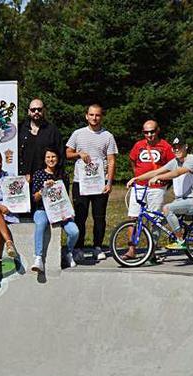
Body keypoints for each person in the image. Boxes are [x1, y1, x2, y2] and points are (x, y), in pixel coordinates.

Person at [126, 137, 193, 250]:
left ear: (186, 147)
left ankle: (180, 240)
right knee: (157, 222)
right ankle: (151, 253)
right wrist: (137, 178)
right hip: (181, 201)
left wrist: (158, 177)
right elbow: (156, 171)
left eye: (180, 147)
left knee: (167, 208)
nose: (177, 150)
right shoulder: (175, 162)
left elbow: (177, 173)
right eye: (175, 148)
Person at [65, 104, 118, 262]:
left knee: (99, 217)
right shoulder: (78, 134)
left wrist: (109, 182)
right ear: (86, 116)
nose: (94, 118)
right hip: (80, 182)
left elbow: (111, 161)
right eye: (91, 115)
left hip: (100, 183)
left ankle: (97, 247)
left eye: (97, 115)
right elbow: (67, 153)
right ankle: (78, 248)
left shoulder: (108, 136)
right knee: (80, 217)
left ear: (101, 117)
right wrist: (78, 154)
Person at [123, 120, 175, 259]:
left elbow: (173, 165)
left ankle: (151, 251)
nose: (149, 135)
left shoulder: (165, 146)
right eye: (146, 132)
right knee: (133, 217)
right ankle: (131, 249)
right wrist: (138, 176)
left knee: (154, 219)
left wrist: (164, 179)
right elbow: (133, 161)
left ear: (157, 130)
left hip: (157, 188)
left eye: (152, 131)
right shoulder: (139, 145)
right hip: (140, 187)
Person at [30, 147, 79, 272]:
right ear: (44, 159)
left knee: (74, 231)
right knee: (41, 224)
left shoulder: (64, 175)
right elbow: (35, 198)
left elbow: (65, 197)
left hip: (60, 211)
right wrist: (44, 189)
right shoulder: (38, 174)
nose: (51, 159)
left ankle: (67, 252)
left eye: (53, 157)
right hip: (42, 209)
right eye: (48, 157)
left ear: (58, 158)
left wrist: (68, 212)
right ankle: (38, 257)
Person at [18, 98, 63, 181]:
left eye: (39, 109)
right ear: (28, 111)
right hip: (24, 178)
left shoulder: (52, 130)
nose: (36, 112)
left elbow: (60, 155)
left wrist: (57, 176)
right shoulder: (20, 129)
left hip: (46, 178)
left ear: (44, 111)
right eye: (33, 110)